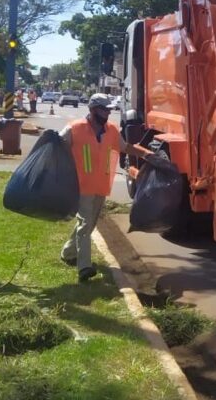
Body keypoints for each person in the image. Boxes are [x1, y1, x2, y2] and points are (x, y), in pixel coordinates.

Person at [60, 94, 152, 282]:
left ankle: (68, 252)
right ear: (93, 110)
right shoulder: (74, 129)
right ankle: (84, 267)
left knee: (89, 223)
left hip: (101, 186)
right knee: (85, 225)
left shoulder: (110, 130)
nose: (108, 113)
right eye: (104, 109)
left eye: (109, 109)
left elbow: (126, 147)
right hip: (81, 186)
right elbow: (56, 147)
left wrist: (148, 154)